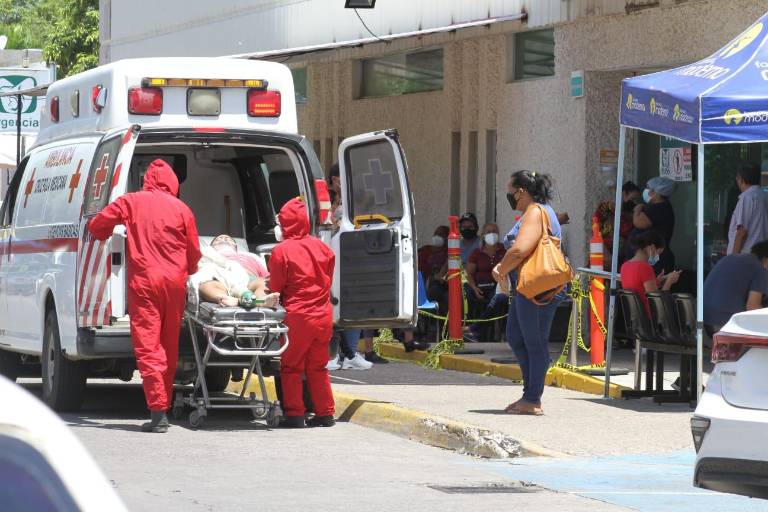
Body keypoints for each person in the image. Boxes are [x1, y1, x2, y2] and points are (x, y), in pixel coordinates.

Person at [88, 159, 201, 433]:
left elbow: (98, 225)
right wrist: (189, 269)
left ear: (145, 179)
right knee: (168, 345)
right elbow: (194, 252)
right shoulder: (182, 209)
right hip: (174, 284)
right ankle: (163, 403)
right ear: (173, 183)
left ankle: (158, 412)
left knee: (149, 347)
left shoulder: (131, 202)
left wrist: (103, 233)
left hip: (145, 283)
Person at [492, 170, 566, 416]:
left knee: (534, 342)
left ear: (521, 192)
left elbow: (520, 250)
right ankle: (529, 393)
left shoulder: (535, 212)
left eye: (510, 192)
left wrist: (501, 270)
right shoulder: (537, 211)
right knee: (515, 336)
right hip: (525, 288)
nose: (509, 197)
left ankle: (533, 398)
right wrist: (504, 268)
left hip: (537, 289)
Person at [268, 197, 336, 428]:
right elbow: (328, 278)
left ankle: (295, 414)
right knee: (318, 366)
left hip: (298, 316)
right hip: (323, 315)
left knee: (291, 366)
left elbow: (275, 286)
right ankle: (325, 414)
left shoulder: (282, 251)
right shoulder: (322, 247)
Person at [193, 234, 279, 308]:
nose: (224, 239)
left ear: (235, 246)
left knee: (263, 282)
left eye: (228, 239)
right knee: (206, 286)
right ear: (211, 247)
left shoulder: (250, 257)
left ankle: (260, 302)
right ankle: (227, 298)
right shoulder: (207, 254)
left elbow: (266, 277)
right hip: (219, 280)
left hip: (248, 280)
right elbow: (198, 270)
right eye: (218, 239)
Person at [704, 240, 768, 335]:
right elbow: (753, 307)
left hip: (703, 321)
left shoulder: (730, 258)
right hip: (724, 325)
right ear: (766, 259)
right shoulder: (760, 268)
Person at [463, 223, 507, 343]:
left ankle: (475, 330)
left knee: (498, 299)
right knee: (469, 295)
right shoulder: (476, 253)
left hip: (498, 286)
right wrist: (474, 288)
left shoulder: (504, 251)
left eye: (494, 231)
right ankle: (475, 331)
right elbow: (468, 273)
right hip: (479, 287)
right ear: (482, 236)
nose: (491, 234)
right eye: (488, 232)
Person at [619, 231, 681, 315]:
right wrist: (669, 281)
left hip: (635, 317)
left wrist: (658, 281)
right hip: (650, 319)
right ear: (652, 248)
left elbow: (640, 287)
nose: (658, 257)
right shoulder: (645, 268)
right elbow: (656, 303)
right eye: (658, 253)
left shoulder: (624, 266)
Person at [627, 177, 677, 273]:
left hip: (655, 260)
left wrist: (637, 210)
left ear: (656, 192)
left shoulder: (659, 208)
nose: (646, 191)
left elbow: (639, 223)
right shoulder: (656, 207)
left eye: (648, 188)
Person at [593, 181, 642, 268]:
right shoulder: (606, 208)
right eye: (633, 199)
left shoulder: (632, 215)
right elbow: (595, 231)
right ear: (624, 194)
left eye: (636, 201)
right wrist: (604, 251)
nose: (634, 203)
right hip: (602, 253)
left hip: (621, 258)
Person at [727, 163, 768, 255]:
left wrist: (734, 258)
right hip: (760, 255)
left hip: (746, 257)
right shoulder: (764, 196)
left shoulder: (747, 198)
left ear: (741, 180)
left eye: (737, 178)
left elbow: (742, 232)